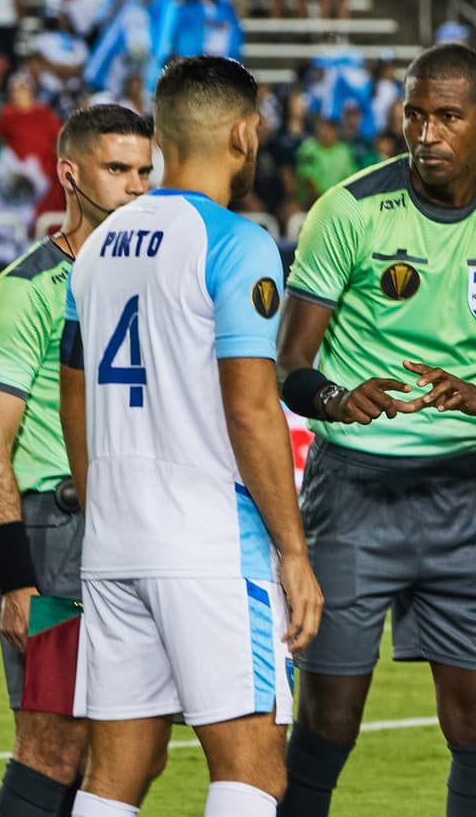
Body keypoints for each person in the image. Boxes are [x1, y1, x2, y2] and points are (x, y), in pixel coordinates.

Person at [275, 42, 476, 817]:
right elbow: (290, 365)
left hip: (463, 496)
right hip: (353, 495)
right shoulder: (346, 210)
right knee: (329, 721)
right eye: (415, 113)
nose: (427, 132)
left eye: (447, 116)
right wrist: (341, 399)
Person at [59, 55, 323, 817]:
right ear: (244, 134)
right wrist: (295, 552)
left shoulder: (98, 246)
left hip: (116, 543)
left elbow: (74, 394)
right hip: (210, 541)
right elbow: (251, 409)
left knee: (116, 773)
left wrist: (106, 501)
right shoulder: (239, 242)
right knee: (253, 770)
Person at [0, 104, 154, 817]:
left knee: (128, 750)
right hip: (55, 539)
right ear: (70, 174)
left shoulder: (155, 282)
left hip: (138, 528)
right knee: (53, 747)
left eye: (144, 170)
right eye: (117, 170)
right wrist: (17, 580)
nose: (136, 187)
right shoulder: (23, 292)